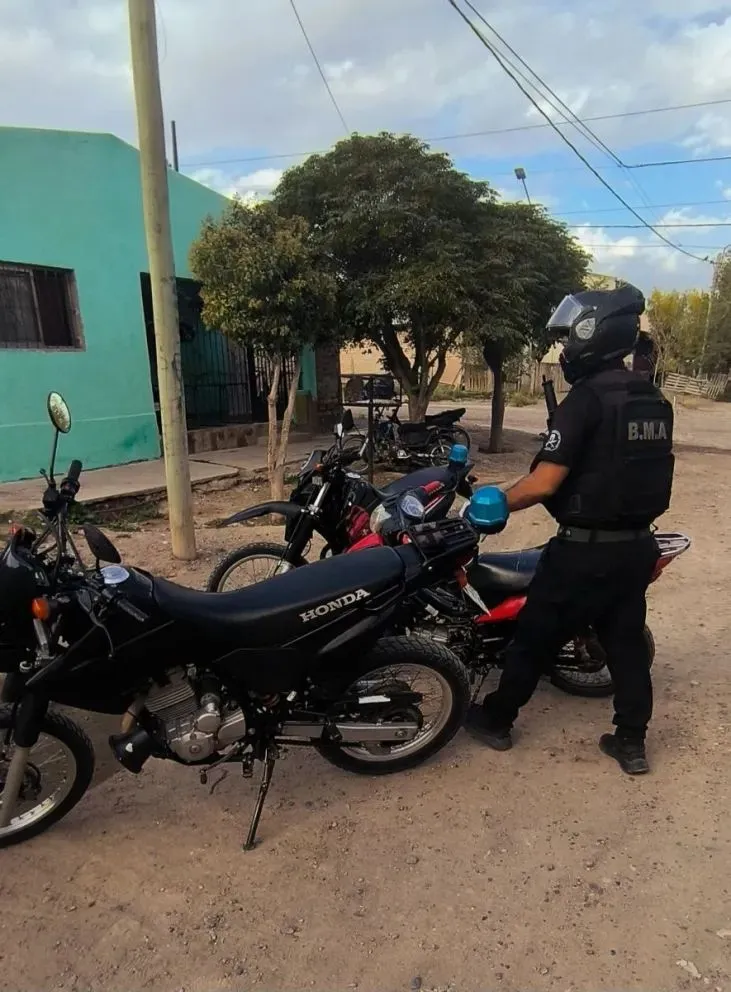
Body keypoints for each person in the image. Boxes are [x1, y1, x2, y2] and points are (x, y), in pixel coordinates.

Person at [468, 283, 674, 775]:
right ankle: (630, 743)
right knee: (625, 648)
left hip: (582, 552)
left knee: (533, 639)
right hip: (636, 546)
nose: (564, 349)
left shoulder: (585, 401)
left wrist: (497, 499)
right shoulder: (652, 400)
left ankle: (497, 720)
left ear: (592, 335)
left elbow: (544, 481)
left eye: (568, 339)